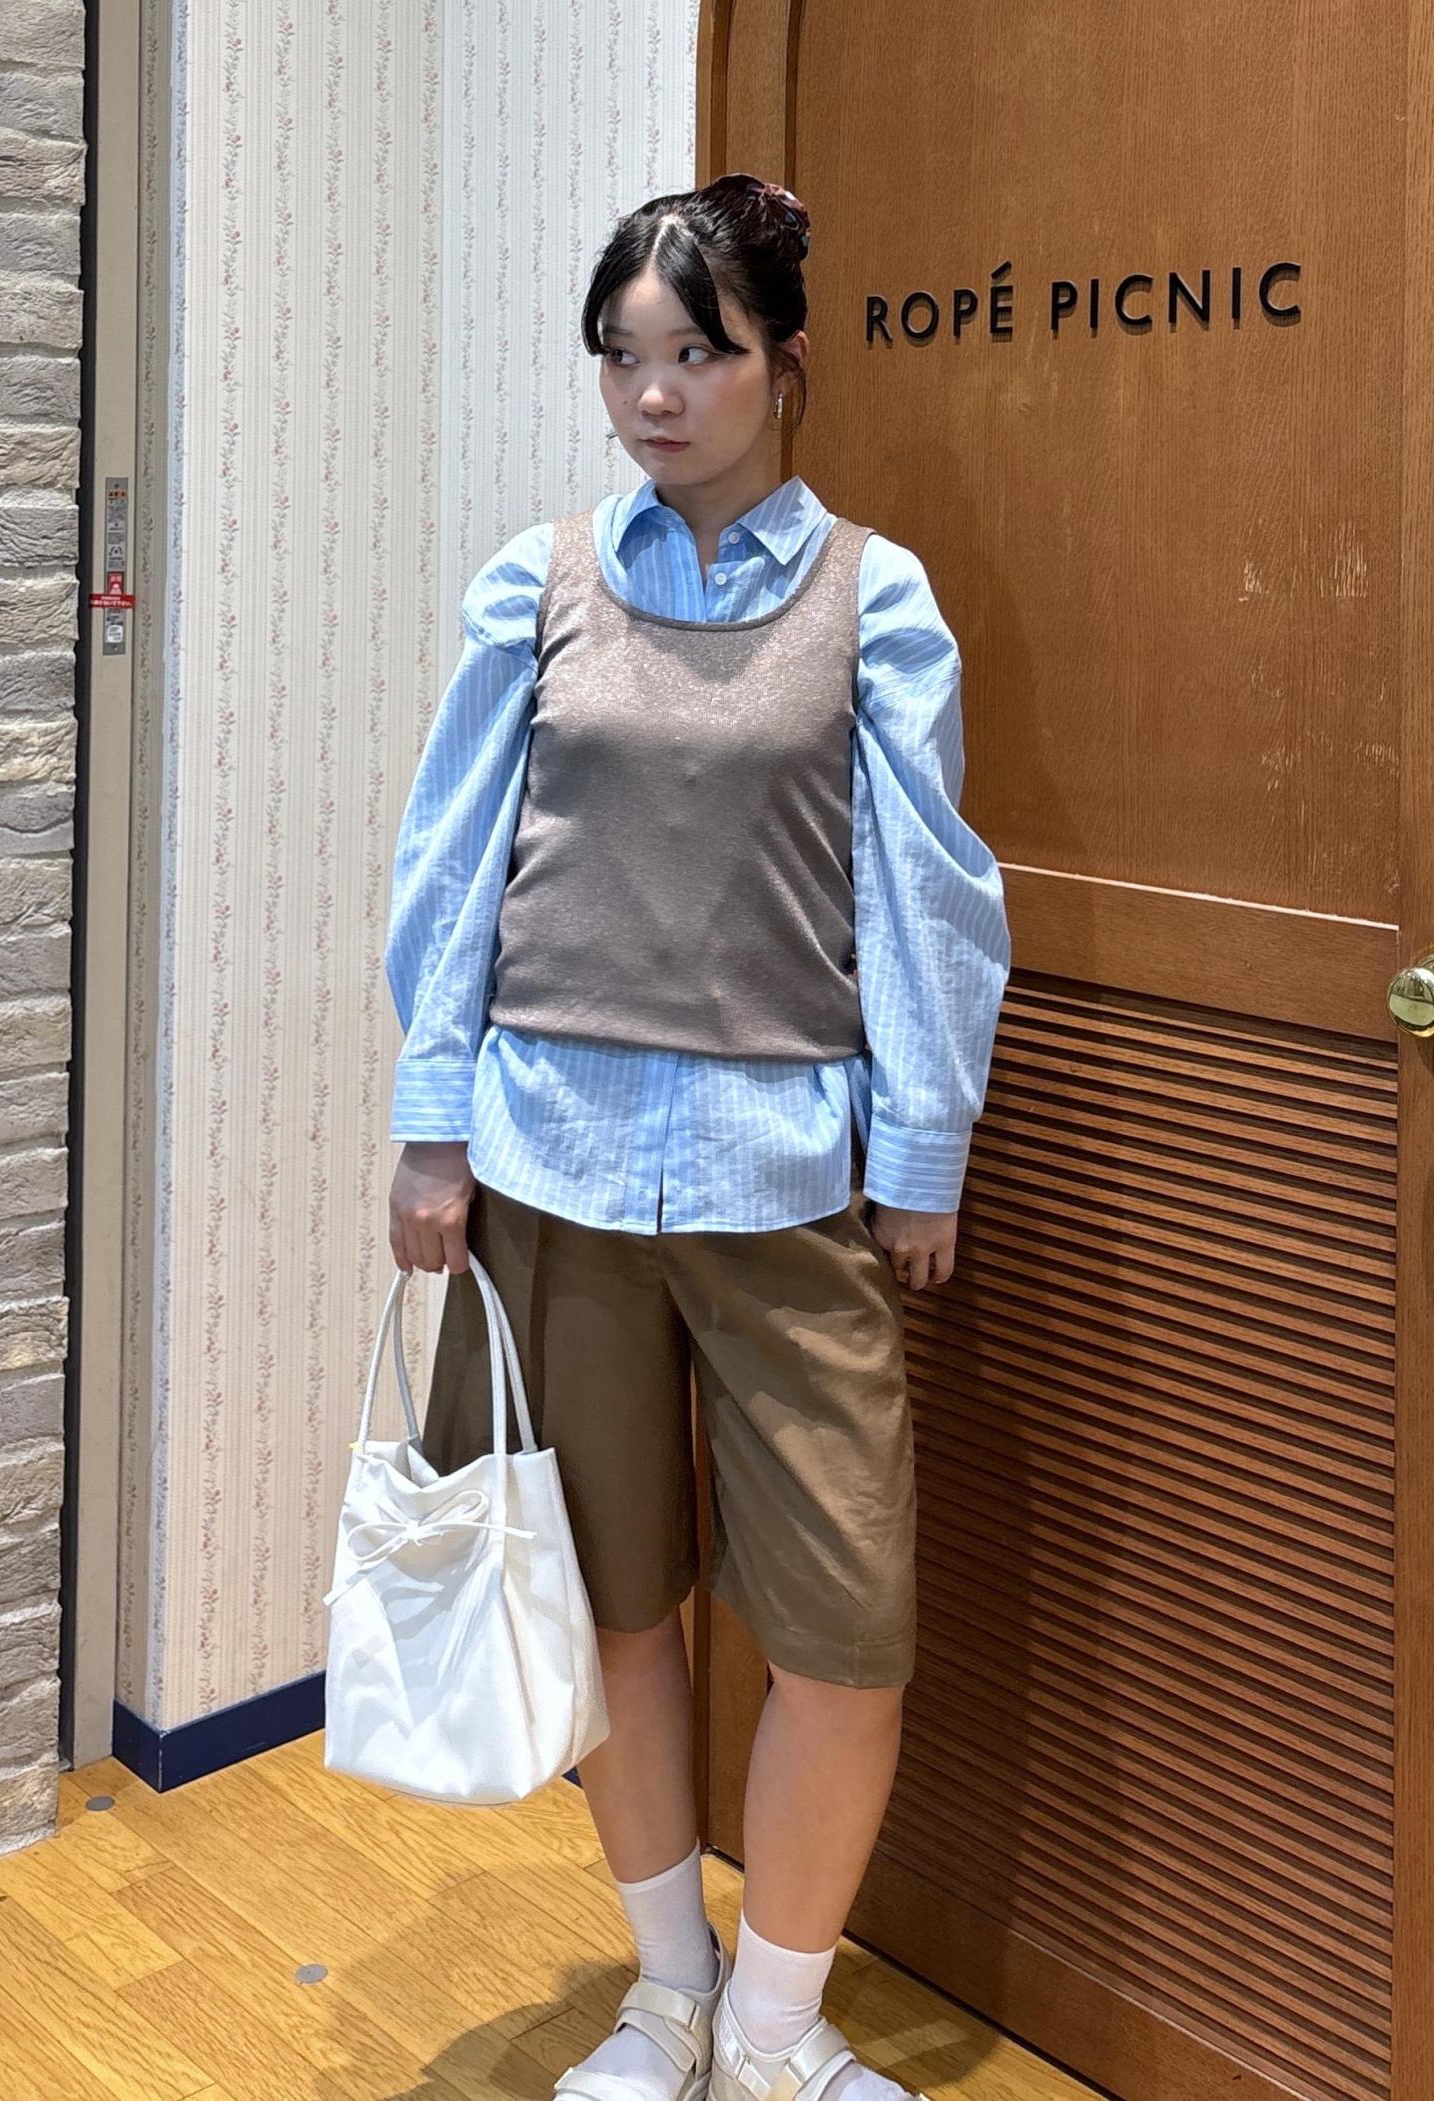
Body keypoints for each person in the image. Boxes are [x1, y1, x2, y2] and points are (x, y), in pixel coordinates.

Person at [384, 172, 1010, 2101]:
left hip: (787, 1177)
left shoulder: (874, 598)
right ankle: (668, 1992)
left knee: (847, 1628)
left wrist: (923, 1150)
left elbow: (927, 892)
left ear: (784, 366)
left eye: (697, 354)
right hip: (549, 1170)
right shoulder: (538, 580)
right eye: (622, 356)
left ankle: (777, 2025)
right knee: (613, 1605)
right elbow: (454, 860)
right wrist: (431, 1125)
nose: (652, 394)